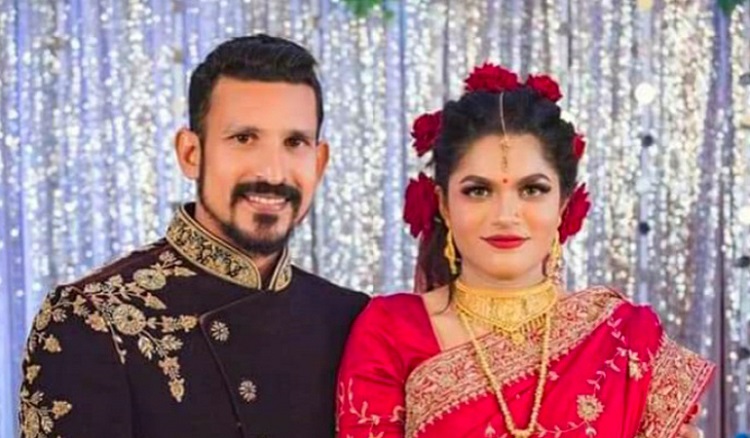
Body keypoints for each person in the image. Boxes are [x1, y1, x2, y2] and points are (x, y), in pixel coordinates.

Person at [336, 63, 713, 438]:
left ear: (562, 204)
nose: (505, 215)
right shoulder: (390, 330)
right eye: (478, 191)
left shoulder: (624, 337)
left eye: (532, 189)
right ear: (445, 205)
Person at [19, 34, 369, 438]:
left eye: (295, 142)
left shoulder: (351, 319)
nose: (273, 172)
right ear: (191, 153)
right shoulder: (91, 317)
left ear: (319, 162)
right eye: (244, 138)